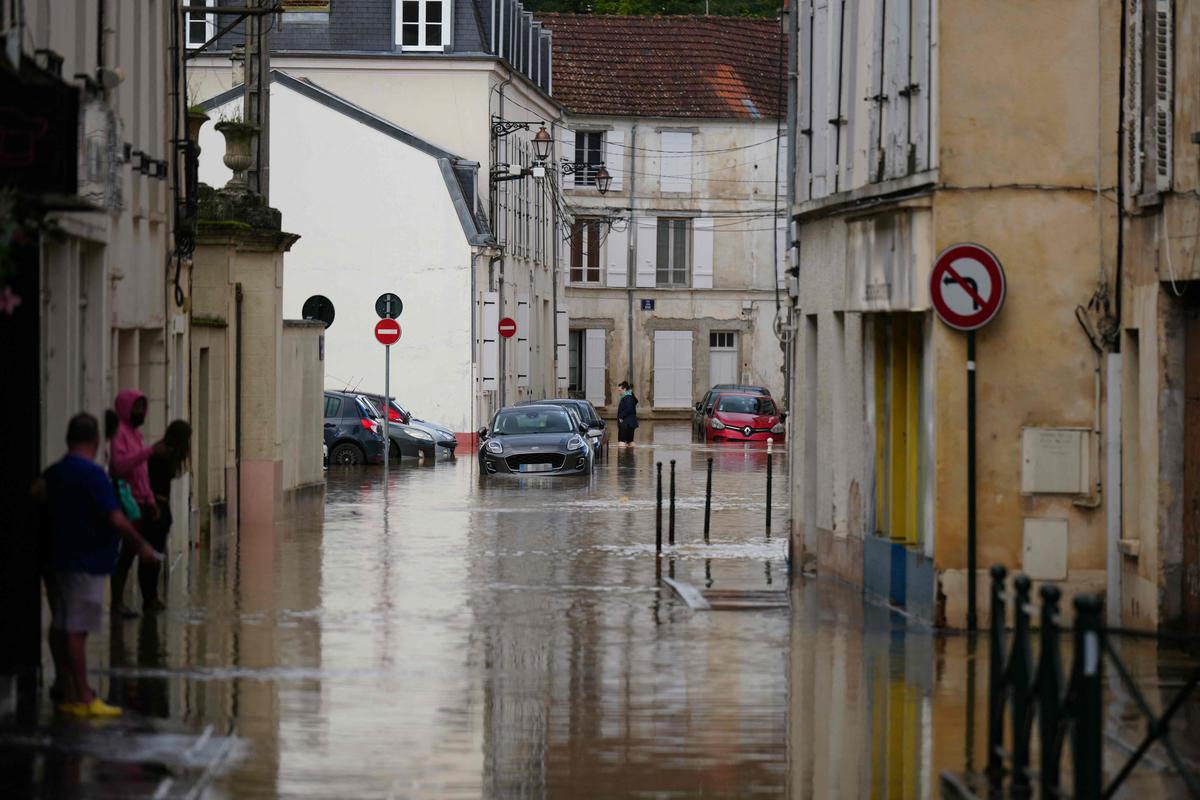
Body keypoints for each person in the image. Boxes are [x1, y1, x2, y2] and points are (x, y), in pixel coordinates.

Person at [44, 412, 160, 717]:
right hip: (88, 562)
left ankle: (69, 691)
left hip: (62, 560)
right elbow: (116, 517)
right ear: (96, 441)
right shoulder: (92, 474)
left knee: (61, 625)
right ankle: (83, 696)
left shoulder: (56, 471)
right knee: (77, 631)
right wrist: (142, 545)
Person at [109, 390, 156, 616]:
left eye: (142, 407)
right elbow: (119, 466)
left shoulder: (137, 435)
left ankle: (146, 598)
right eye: (136, 407)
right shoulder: (119, 434)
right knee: (126, 555)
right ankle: (116, 601)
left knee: (139, 554)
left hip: (142, 503)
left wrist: (151, 500)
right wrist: (147, 453)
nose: (140, 412)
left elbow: (142, 474)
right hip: (128, 503)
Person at [140, 420, 191, 611]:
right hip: (156, 508)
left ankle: (151, 596)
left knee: (154, 553)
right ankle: (149, 597)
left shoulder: (161, 452)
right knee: (153, 554)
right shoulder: (162, 455)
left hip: (158, 507)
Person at [616, 381, 639, 448]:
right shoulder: (629, 396)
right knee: (630, 442)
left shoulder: (628, 397)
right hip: (630, 423)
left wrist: (621, 416)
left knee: (621, 442)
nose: (619, 392)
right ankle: (630, 457)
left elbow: (629, 409)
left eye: (620, 390)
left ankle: (623, 458)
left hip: (626, 423)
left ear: (625, 389)